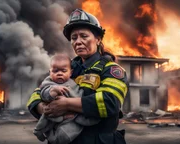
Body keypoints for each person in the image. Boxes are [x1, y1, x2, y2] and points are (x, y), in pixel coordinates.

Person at [27, 8, 128, 144]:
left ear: (98, 39)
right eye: (74, 38)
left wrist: (66, 104)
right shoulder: (65, 69)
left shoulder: (111, 70)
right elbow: (37, 93)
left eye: (84, 36)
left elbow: (110, 103)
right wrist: (45, 108)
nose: (78, 41)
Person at [33, 54, 99, 144]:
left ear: (71, 72)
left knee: (65, 135)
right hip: (52, 115)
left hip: (75, 119)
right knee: (45, 122)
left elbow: (108, 102)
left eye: (63, 71)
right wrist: (51, 93)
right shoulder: (49, 82)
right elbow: (40, 93)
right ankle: (39, 131)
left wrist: (68, 105)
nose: (59, 73)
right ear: (49, 72)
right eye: (55, 71)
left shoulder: (105, 67)